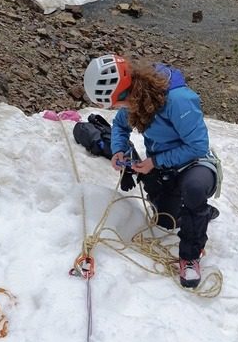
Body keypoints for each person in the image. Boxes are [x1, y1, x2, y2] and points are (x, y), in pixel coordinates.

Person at [83, 53, 219, 289]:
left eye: (118, 103)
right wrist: (119, 151)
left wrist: (155, 162)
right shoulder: (135, 96)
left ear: (125, 92)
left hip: (196, 163)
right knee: (167, 221)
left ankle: (190, 256)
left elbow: (198, 146)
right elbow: (119, 126)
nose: (119, 109)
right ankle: (201, 213)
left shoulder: (178, 100)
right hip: (166, 168)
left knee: (194, 189)